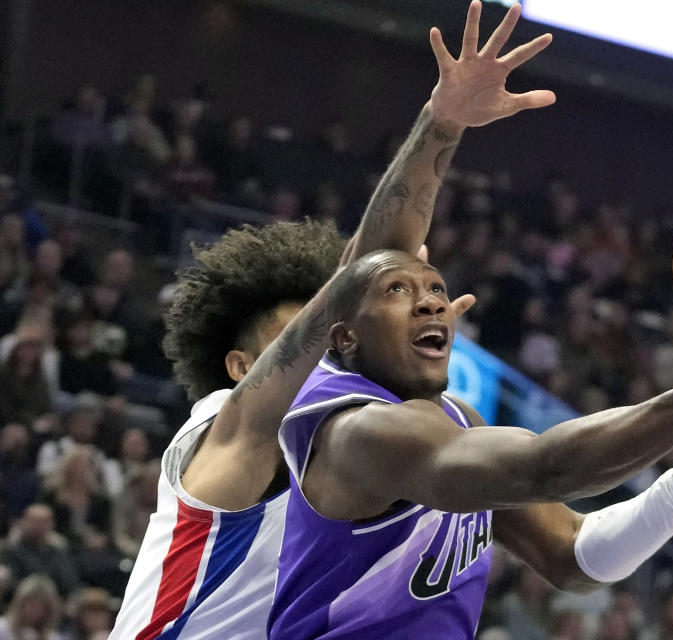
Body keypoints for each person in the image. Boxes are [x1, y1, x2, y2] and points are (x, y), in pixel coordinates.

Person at [109, 4, 555, 638]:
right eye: (306, 339)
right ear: (242, 369)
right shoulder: (224, 426)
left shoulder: (357, 449)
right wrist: (441, 124)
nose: (329, 354)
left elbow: (568, 548)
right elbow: (359, 273)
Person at [268, 242, 673, 637]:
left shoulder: (457, 417)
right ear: (344, 336)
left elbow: (572, 556)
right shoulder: (357, 430)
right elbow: (542, 467)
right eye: (398, 289)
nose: (431, 300)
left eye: (437, 288)